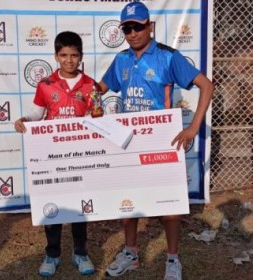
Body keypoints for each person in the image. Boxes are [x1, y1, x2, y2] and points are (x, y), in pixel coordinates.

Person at [98, 2, 214, 280]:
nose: (132, 33)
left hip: (162, 143)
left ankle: (173, 259)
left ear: (149, 26)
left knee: (169, 205)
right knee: (128, 202)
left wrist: (192, 128)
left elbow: (206, 86)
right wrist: (75, 92)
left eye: (137, 26)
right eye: (127, 28)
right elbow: (99, 89)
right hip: (128, 143)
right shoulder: (122, 59)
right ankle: (131, 253)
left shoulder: (167, 56)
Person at [14, 31, 103, 278]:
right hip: (52, 157)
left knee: (80, 207)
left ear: (81, 57)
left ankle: (81, 252)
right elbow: (37, 114)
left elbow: (98, 117)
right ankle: (52, 254)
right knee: (51, 207)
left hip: (80, 156)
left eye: (74, 55)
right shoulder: (46, 85)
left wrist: (90, 120)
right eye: (64, 55)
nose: (69, 60)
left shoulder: (90, 85)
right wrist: (24, 120)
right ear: (56, 56)